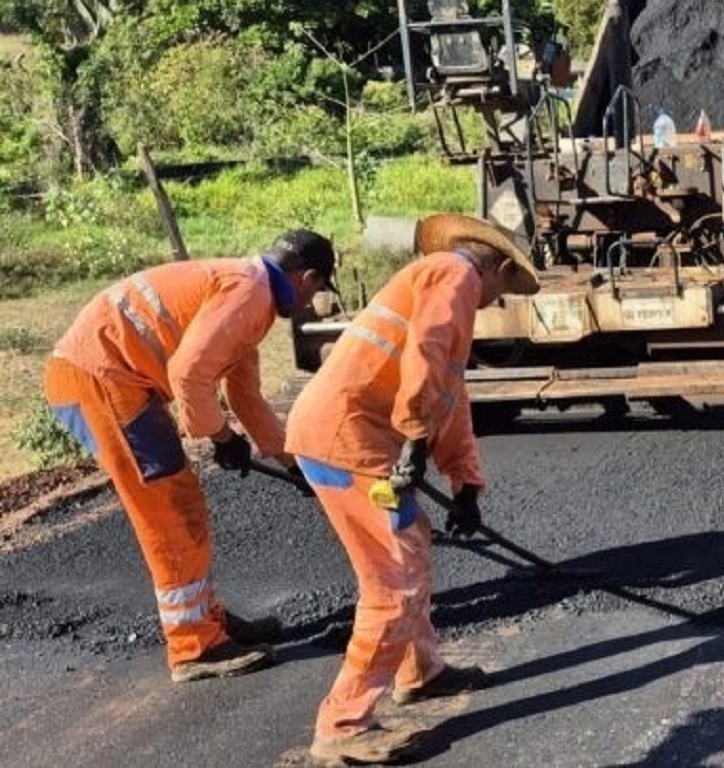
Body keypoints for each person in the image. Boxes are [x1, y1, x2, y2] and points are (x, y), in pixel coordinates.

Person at [286, 213, 540, 767]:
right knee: (392, 581)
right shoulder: (456, 276)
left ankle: (420, 672)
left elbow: (449, 391)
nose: (494, 301)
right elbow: (425, 359)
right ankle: (343, 725)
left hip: (354, 436)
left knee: (413, 544)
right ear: (496, 267)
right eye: (502, 290)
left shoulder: (438, 279)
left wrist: (466, 482)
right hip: (343, 441)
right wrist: (416, 438)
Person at [42, 229, 337, 682]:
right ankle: (193, 647)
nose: (311, 301)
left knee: (184, 503)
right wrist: (221, 438)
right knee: (168, 509)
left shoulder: (248, 295)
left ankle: (205, 620)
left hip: (114, 378)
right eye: (317, 290)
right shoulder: (248, 293)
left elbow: (246, 397)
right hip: (99, 378)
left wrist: (293, 463)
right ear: (308, 276)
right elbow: (187, 376)